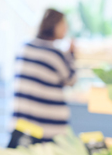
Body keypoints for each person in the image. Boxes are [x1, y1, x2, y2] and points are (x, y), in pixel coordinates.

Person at [8, 8, 76, 147]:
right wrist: (72, 55)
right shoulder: (54, 53)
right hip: (48, 127)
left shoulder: (25, 47)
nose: (66, 29)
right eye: (63, 24)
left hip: (21, 123)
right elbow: (71, 79)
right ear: (53, 26)